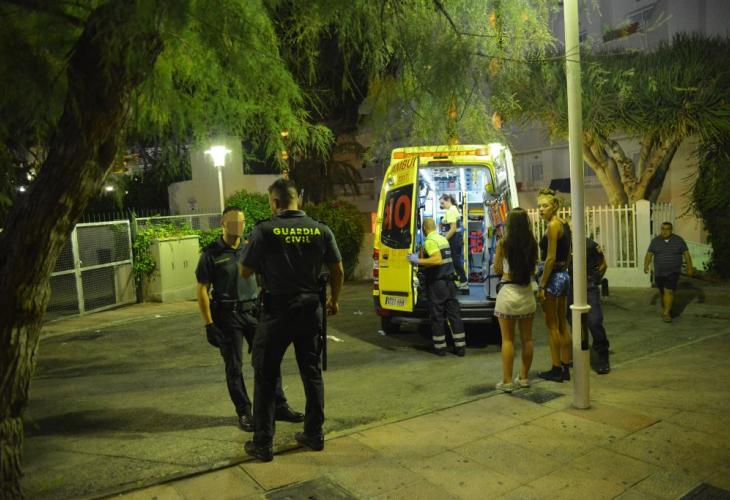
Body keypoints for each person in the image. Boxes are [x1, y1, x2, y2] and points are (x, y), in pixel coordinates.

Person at [240, 179, 344, 462]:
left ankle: (263, 444)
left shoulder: (264, 230)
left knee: (265, 375)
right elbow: (337, 269)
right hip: (310, 310)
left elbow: (245, 271)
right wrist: (334, 300)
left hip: (276, 312)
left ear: (275, 202)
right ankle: (314, 434)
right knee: (311, 373)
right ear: (298, 199)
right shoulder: (321, 229)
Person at [195, 207, 305, 432]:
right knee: (234, 367)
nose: (239, 226)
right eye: (233, 222)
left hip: (255, 313)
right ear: (222, 224)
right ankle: (245, 412)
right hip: (228, 316)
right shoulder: (211, 254)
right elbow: (202, 289)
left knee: (269, 360)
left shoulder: (251, 249)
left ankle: (279, 405)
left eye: (242, 221)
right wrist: (209, 324)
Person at [493, 208, 538, 393]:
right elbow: (533, 270)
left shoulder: (503, 244)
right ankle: (524, 378)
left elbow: (497, 268)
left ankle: (507, 381)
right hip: (526, 293)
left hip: (508, 294)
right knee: (527, 339)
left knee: (507, 340)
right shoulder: (532, 244)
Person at [407, 218, 467, 357]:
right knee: (454, 316)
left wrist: (418, 260)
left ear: (424, 228)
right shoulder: (442, 239)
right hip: (450, 284)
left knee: (437, 317)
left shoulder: (429, 241)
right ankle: (460, 348)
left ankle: (440, 349)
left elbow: (437, 259)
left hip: (438, 285)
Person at [535, 188, 572, 383]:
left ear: (555, 206)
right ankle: (565, 366)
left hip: (552, 278)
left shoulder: (552, 226)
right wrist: (564, 270)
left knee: (552, 325)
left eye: (545, 205)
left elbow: (550, 258)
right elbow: (568, 253)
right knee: (562, 322)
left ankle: (556, 368)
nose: (541, 209)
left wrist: (542, 285)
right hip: (564, 276)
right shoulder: (564, 224)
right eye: (539, 206)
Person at [568, 238, 611, 374]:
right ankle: (579, 353)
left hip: (589, 286)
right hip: (571, 286)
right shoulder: (564, 244)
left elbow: (603, 265)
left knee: (594, 321)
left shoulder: (590, 245)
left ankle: (602, 354)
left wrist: (595, 280)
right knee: (574, 322)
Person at [644, 222, 694, 322]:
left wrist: (690, 268)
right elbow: (649, 254)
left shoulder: (679, 240)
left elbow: (686, 254)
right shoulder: (655, 241)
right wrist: (646, 265)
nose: (665, 231)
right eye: (663, 229)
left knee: (669, 291)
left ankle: (666, 313)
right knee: (663, 291)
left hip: (673, 272)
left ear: (671, 230)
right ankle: (667, 308)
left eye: (667, 229)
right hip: (659, 272)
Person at [439, 194, 468, 289]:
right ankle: (461, 281)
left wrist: (443, 240)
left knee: (455, 261)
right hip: (455, 239)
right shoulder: (453, 209)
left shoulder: (451, 211)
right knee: (455, 261)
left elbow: (453, 229)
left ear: (448, 200)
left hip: (453, 240)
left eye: (442, 203)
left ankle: (463, 282)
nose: (441, 206)